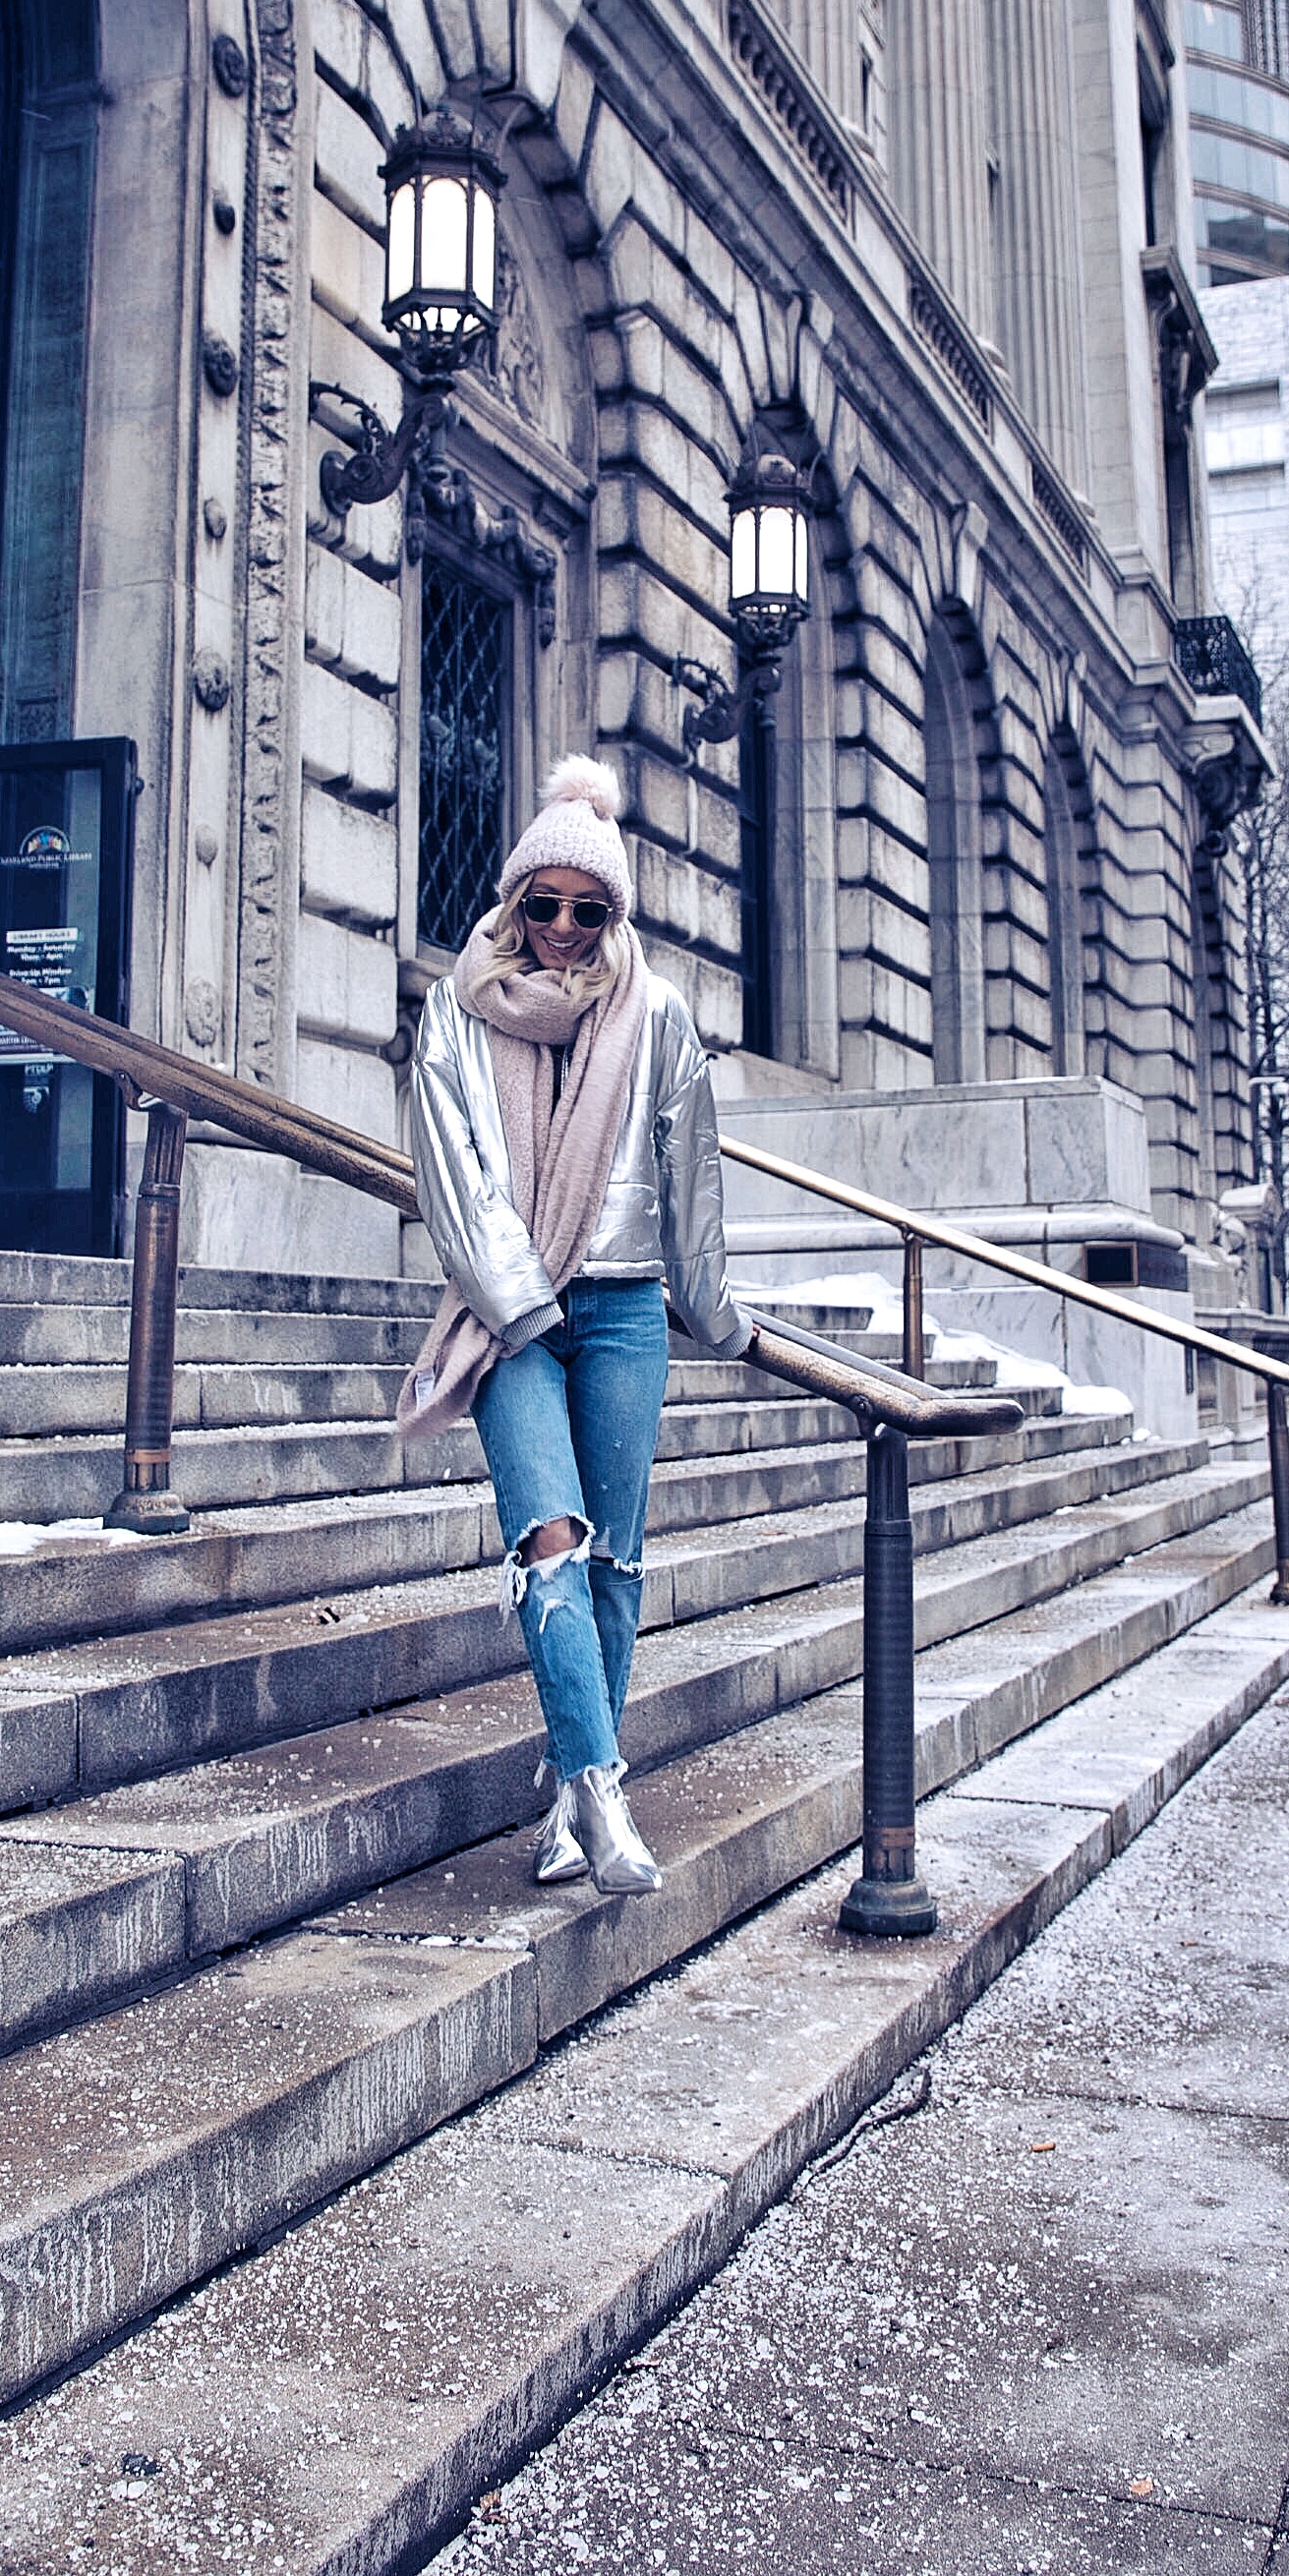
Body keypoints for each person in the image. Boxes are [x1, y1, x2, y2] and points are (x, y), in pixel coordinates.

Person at [398, 757, 750, 1897]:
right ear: (512, 904)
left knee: (618, 1557)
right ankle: (603, 1787)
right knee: (551, 1536)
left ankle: (563, 1807)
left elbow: (689, 1175)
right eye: (540, 905)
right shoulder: (456, 1013)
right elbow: (451, 1179)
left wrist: (713, 1309)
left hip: (627, 1309)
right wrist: (518, 1303)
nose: (560, 928)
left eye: (586, 909)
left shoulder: (657, 1015)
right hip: (511, 1320)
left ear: (614, 913)